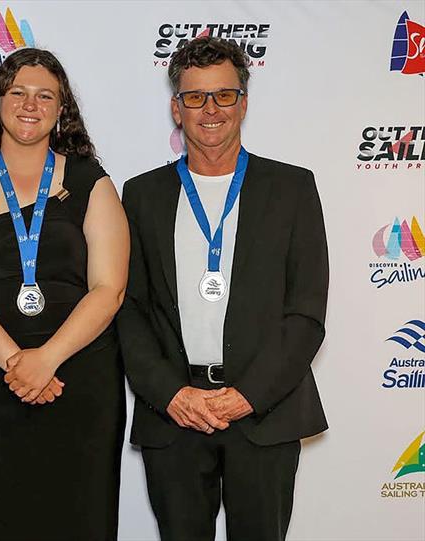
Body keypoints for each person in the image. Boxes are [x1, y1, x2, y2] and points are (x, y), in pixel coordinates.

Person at [117, 36, 328, 541]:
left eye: (224, 95)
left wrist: (247, 396)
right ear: (176, 108)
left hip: (264, 414)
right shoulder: (141, 194)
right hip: (176, 413)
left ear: (243, 103)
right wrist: (171, 393)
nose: (210, 109)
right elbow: (129, 308)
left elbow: (305, 313)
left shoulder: (292, 188)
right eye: (195, 97)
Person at [0, 48, 128, 540]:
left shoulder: (91, 182)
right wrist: (18, 362)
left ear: (62, 109)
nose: (30, 104)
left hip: (80, 380)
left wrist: (48, 359)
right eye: (18, 92)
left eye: (45, 96)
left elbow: (110, 288)